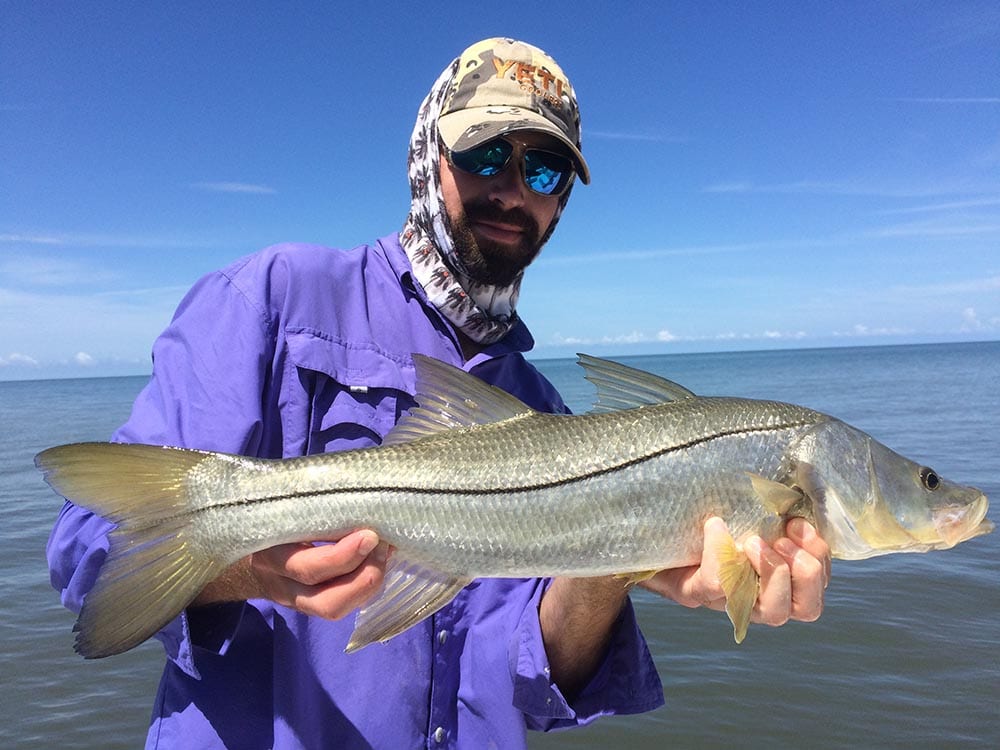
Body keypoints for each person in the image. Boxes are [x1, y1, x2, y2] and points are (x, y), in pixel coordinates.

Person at [47, 38, 830, 749]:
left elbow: (526, 676)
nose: (514, 191)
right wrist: (251, 569)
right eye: (486, 154)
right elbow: (89, 550)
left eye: (546, 170)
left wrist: (609, 556)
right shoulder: (274, 299)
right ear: (427, 156)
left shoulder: (541, 407)